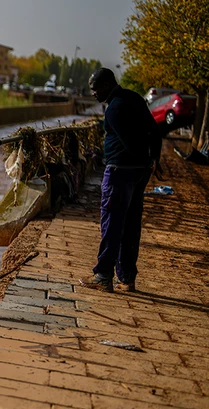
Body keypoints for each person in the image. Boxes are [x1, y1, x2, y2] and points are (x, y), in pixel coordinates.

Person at [80, 67, 163, 293]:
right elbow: (154, 130)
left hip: (119, 172)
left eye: (95, 89)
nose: (93, 93)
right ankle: (126, 277)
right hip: (138, 173)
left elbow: (131, 144)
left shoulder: (114, 110)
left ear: (106, 85)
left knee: (112, 223)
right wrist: (152, 158)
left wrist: (140, 158)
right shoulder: (134, 98)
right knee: (130, 224)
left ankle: (104, 275)